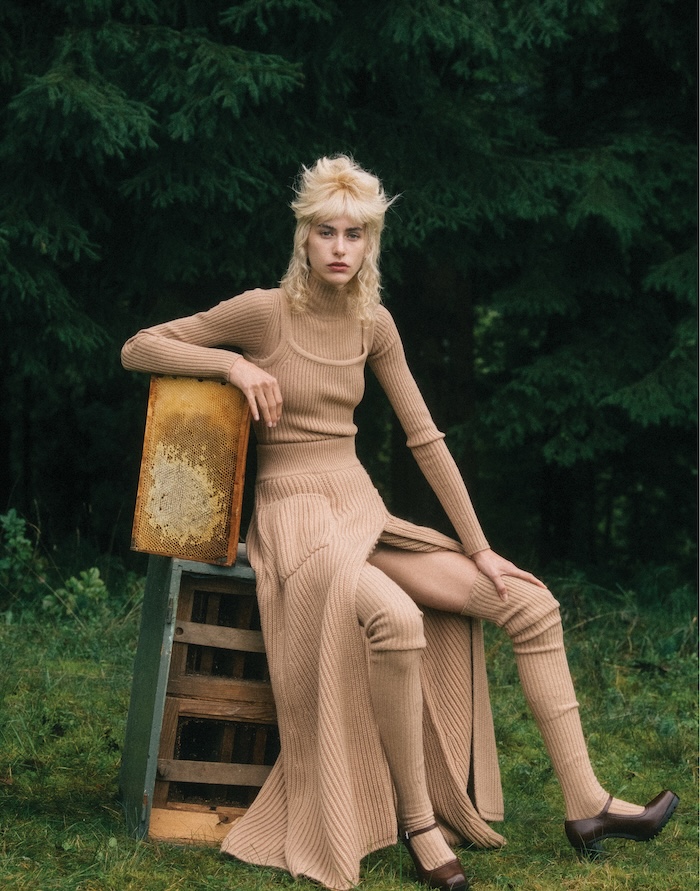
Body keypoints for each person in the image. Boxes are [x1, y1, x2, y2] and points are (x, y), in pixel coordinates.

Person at [121, 155, 678, 891]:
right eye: (326, 231)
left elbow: (425, 438)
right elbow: (140, 346)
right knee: (397, 619)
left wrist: (481, 549)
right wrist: (233, 366)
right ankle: (419, 824)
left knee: (530, 603)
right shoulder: (262, 312)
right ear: (303, 237)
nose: (340, 247)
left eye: (355, 233)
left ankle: (588, 804)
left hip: (361, 509)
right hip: (294, 516)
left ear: (371, 242)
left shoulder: (373, 323)